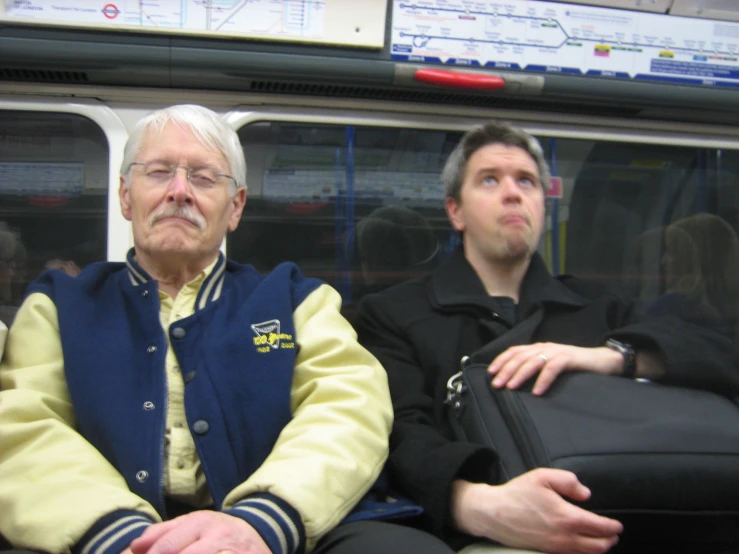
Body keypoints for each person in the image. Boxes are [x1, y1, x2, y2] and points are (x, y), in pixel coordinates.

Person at [0, 105, 455, 554]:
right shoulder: (61, 304)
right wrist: (117, 535)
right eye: (159, 172)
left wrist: (265, 520)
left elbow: (348, 409)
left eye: (203, 177)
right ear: (124, 195)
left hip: (278, 529)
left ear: (235, 207)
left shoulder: (296, 300)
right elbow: (23, 429)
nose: (180, 191)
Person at [353, 122, 739, 553]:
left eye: (527, 181)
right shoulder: (395, 313)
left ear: (543, 204)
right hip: (483, 530)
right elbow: (398, 431)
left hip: (623, 511)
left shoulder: (601, 305)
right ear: (455, 211)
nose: (513, 193)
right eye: (489, 180)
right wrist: (476, 505)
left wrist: (615, 357)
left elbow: (721, 354)